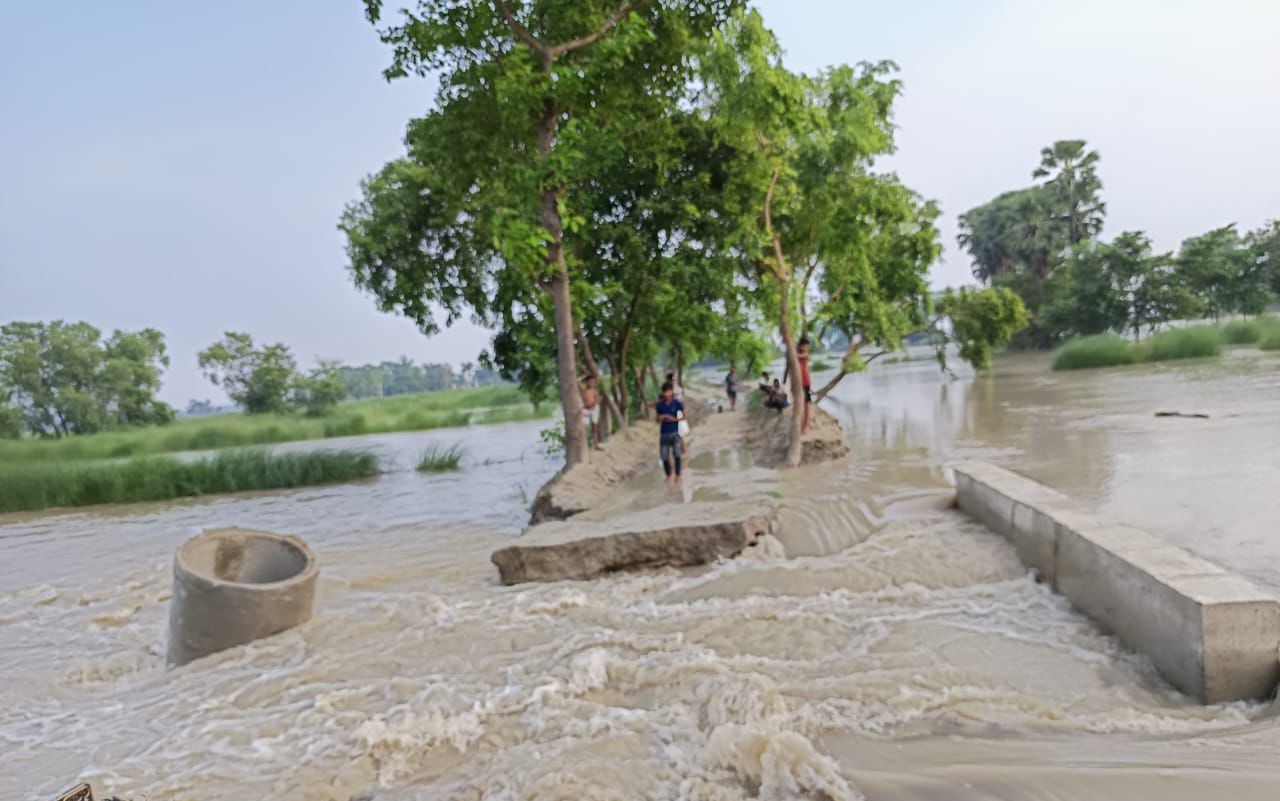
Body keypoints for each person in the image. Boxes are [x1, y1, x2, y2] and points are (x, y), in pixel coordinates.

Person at [654, 382, 685, 485]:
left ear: (671, 392)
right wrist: (661, 418)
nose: (666, 394)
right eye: (664, 392)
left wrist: (674, 419)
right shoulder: (659, 405)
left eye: (668, 391)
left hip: (675, 432)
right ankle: (669, 475)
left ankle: (678, 475)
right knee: (664, 456)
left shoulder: (677, 403)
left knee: (677, 454)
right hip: (664, 434)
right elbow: (657, 420)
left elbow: (684, 417)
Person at [579, 374, 604, 451]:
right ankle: (585, 445)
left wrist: (595, 404)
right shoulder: (583, 390)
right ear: (586, 382)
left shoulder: (595, 390)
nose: (591, 383)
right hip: (586, 409)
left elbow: (597, 399)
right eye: (589, 381)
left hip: (594, 409)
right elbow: (577, 381)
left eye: (593, 382)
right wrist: (584, 377)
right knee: (583, 426)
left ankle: (596, 444)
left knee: (594, 427)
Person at [797, 336, 813, 433]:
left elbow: (800, 356)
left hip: (806, 382)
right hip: (799, 383)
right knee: (802, 404)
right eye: (805, 346)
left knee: (807, 404)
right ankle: (804, 424)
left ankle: (807, 425)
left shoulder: (805, 354)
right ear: (801, 345)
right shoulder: (799, 352)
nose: (807, 348)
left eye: (807, 346)